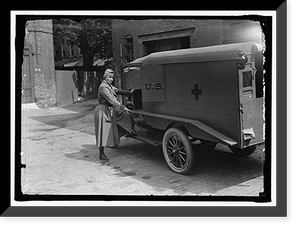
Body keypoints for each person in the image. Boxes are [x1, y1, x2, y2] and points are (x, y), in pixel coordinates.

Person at [94, 69, 140, 161]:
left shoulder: (109, 85)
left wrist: (129, 93)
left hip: (109, 109)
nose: (111, 79)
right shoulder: (103, 87)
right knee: (103, 132)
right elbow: (112, 100)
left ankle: (129, 130)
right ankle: (101, 153)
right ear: (104, 77)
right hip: (102, 110)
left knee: (124, 116)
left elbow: (117, 90)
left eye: (112, 78)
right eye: (109, 77)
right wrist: (123, 107)